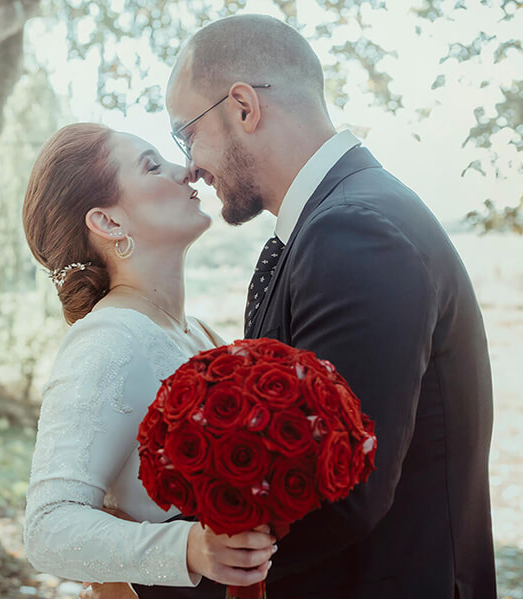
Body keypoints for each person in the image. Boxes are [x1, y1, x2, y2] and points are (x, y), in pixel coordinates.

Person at [159, 14, 497, 599]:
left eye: (185, 134)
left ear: (243, 107)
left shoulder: (353, 232)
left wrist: (154, 574)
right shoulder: (345, 216)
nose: (188, 165)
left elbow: (334, 490)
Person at [22, 123, 277, 598]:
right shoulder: (107, 339)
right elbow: (47, 526)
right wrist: (190, 549)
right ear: (108, 222)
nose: (187, 172)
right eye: (152, 165)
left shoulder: (197, 331)